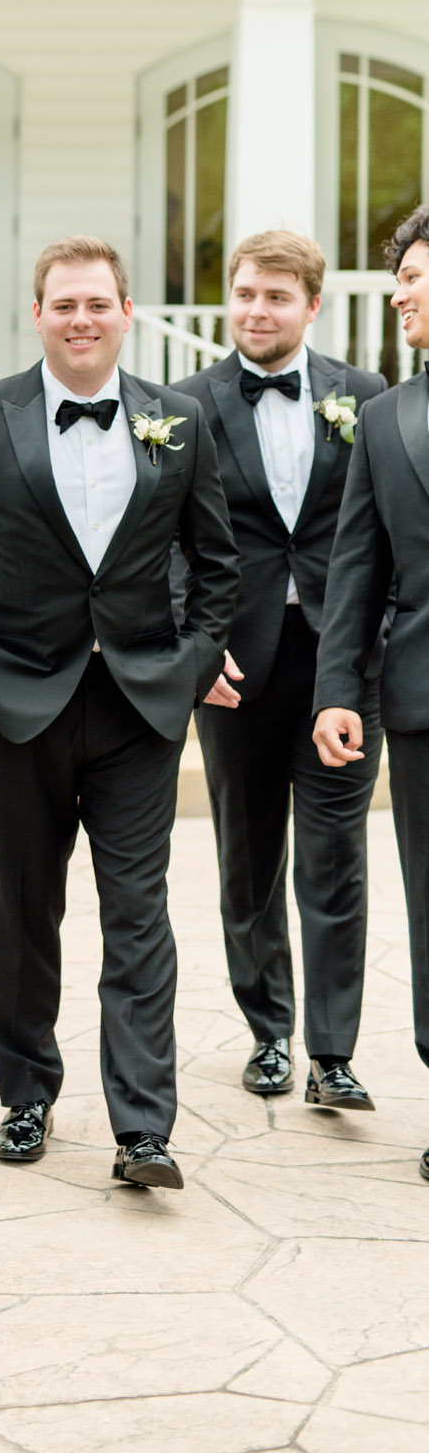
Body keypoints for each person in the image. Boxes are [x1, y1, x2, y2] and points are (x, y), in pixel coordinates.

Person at [0, 236, 238, 1191]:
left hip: (139, 706)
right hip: (21, 702)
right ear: (38, 315)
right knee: (25, 908)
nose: (82, 319)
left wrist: (192, 662)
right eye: (64, 305)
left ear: (126, 312)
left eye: (98, 303)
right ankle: (25, 1095)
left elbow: (217, 564)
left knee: (140, 914)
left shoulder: (179, 418)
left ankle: (142, 1126)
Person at [172, 231, 384, 1109]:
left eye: (276, 297)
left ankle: (334, 1054)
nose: (256, 311)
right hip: (235, 665)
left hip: (343, 661)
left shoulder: (366, 398)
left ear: (312, 306)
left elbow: (382, 530)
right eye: (246, 295)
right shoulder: (183, 403)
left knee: (337, 855)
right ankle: (270, 1031)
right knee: (248, 855)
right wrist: (195, 637)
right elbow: (166, 534)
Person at [314, 203, 429, 1181]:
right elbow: (355, 565)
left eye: (412, 276)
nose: (398, 292)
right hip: (418, 701)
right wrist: (333, 690)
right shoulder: (385, 418)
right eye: (397, 280)